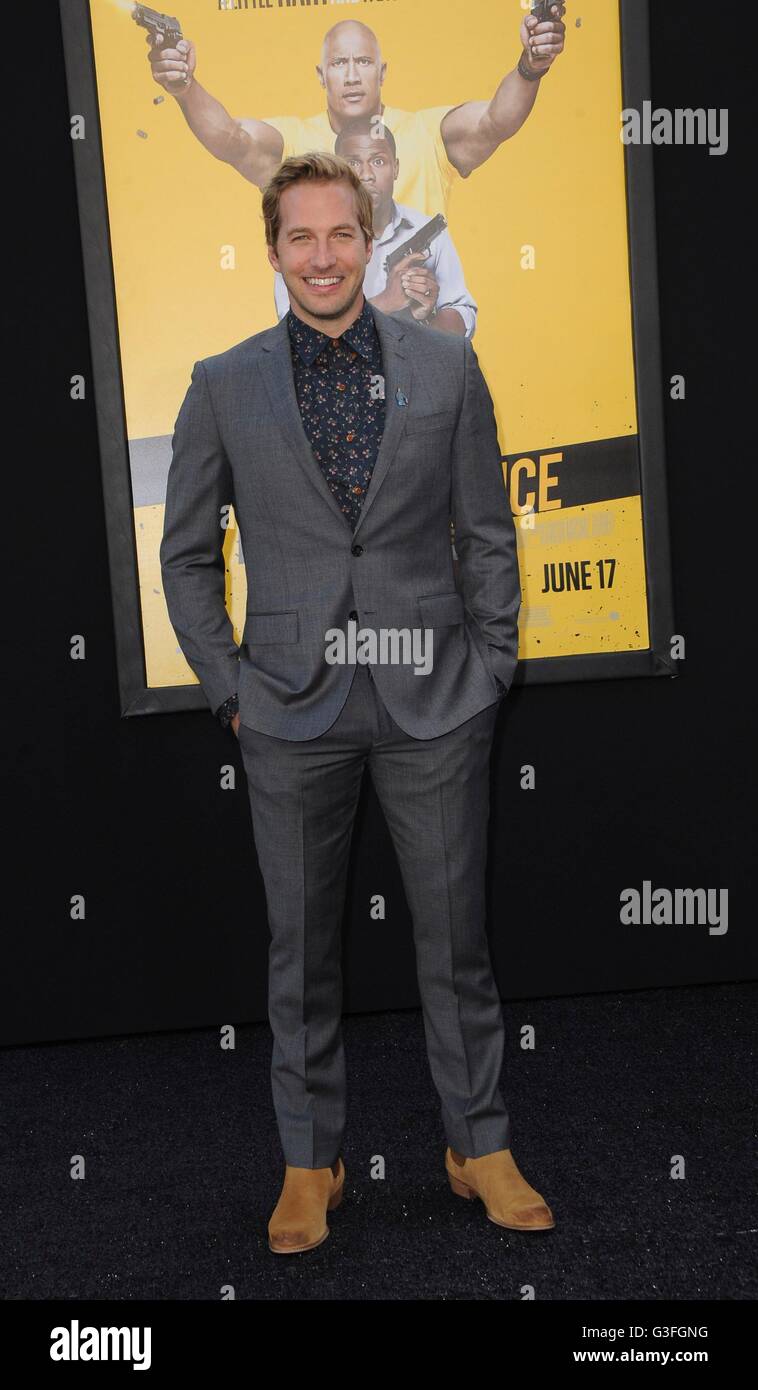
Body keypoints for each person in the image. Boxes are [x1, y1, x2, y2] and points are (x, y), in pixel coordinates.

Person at [160, 152, 555, 1254]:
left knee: (454, 944)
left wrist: (491, 669)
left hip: (435, 698)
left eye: (342, 234)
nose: (323, 256)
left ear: (369, 239)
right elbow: (187, 557)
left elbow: (485, 529)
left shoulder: (444, 365)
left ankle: (477, 1145)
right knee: (300, 955)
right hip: (287, 711)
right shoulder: (221, 383)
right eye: (301, 237)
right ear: (272, 246)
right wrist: (230, 686)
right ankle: (309, 1162)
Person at [147, 12, 567, 217]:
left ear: (382, 72)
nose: (351, 76)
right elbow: (231, 139)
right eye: (339, 64)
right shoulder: (293, 142)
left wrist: (531, 66)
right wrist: (184, 87)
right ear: (321, 75)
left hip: (417, 344)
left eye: (363, 63)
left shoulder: (426, 133)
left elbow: (497, 120)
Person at [273, 117, 478, 337]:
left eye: (378, 161)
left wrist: (425, 318)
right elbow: (296, 336)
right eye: (353, 163)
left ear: (396, 168)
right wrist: (387, 302)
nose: (367, 175)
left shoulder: (428, 229)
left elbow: (462, 316)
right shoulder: (305, 238)